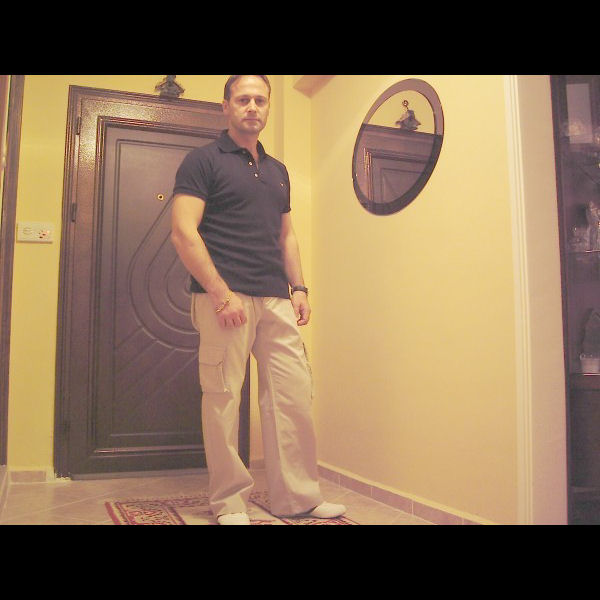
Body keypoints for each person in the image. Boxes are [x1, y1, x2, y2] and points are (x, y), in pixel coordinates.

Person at [170, 75, 346, 525]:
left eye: (260, 100)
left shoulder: (278, 170)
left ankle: (298, 498)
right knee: (223, 399)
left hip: (275, 298)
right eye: (243, 99)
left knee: (293, 396)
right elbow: (184, 232)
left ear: (268, 108)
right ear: (226, 106)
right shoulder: (202, 161)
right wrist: (220, 293)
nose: (252, 107)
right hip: (223, 299)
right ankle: (230, 503)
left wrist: (299, 288)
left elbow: (287, 236)